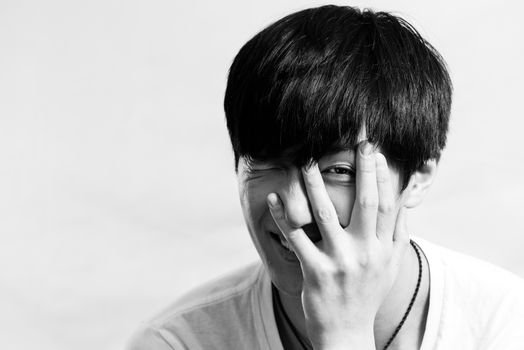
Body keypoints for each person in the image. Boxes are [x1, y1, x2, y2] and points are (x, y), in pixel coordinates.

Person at [127, 5, 524, 350]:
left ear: (418, 176)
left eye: (339, 172)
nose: (296, 211)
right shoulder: (177, 342)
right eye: (266, 164)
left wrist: (345, 335)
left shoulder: (504, 325)